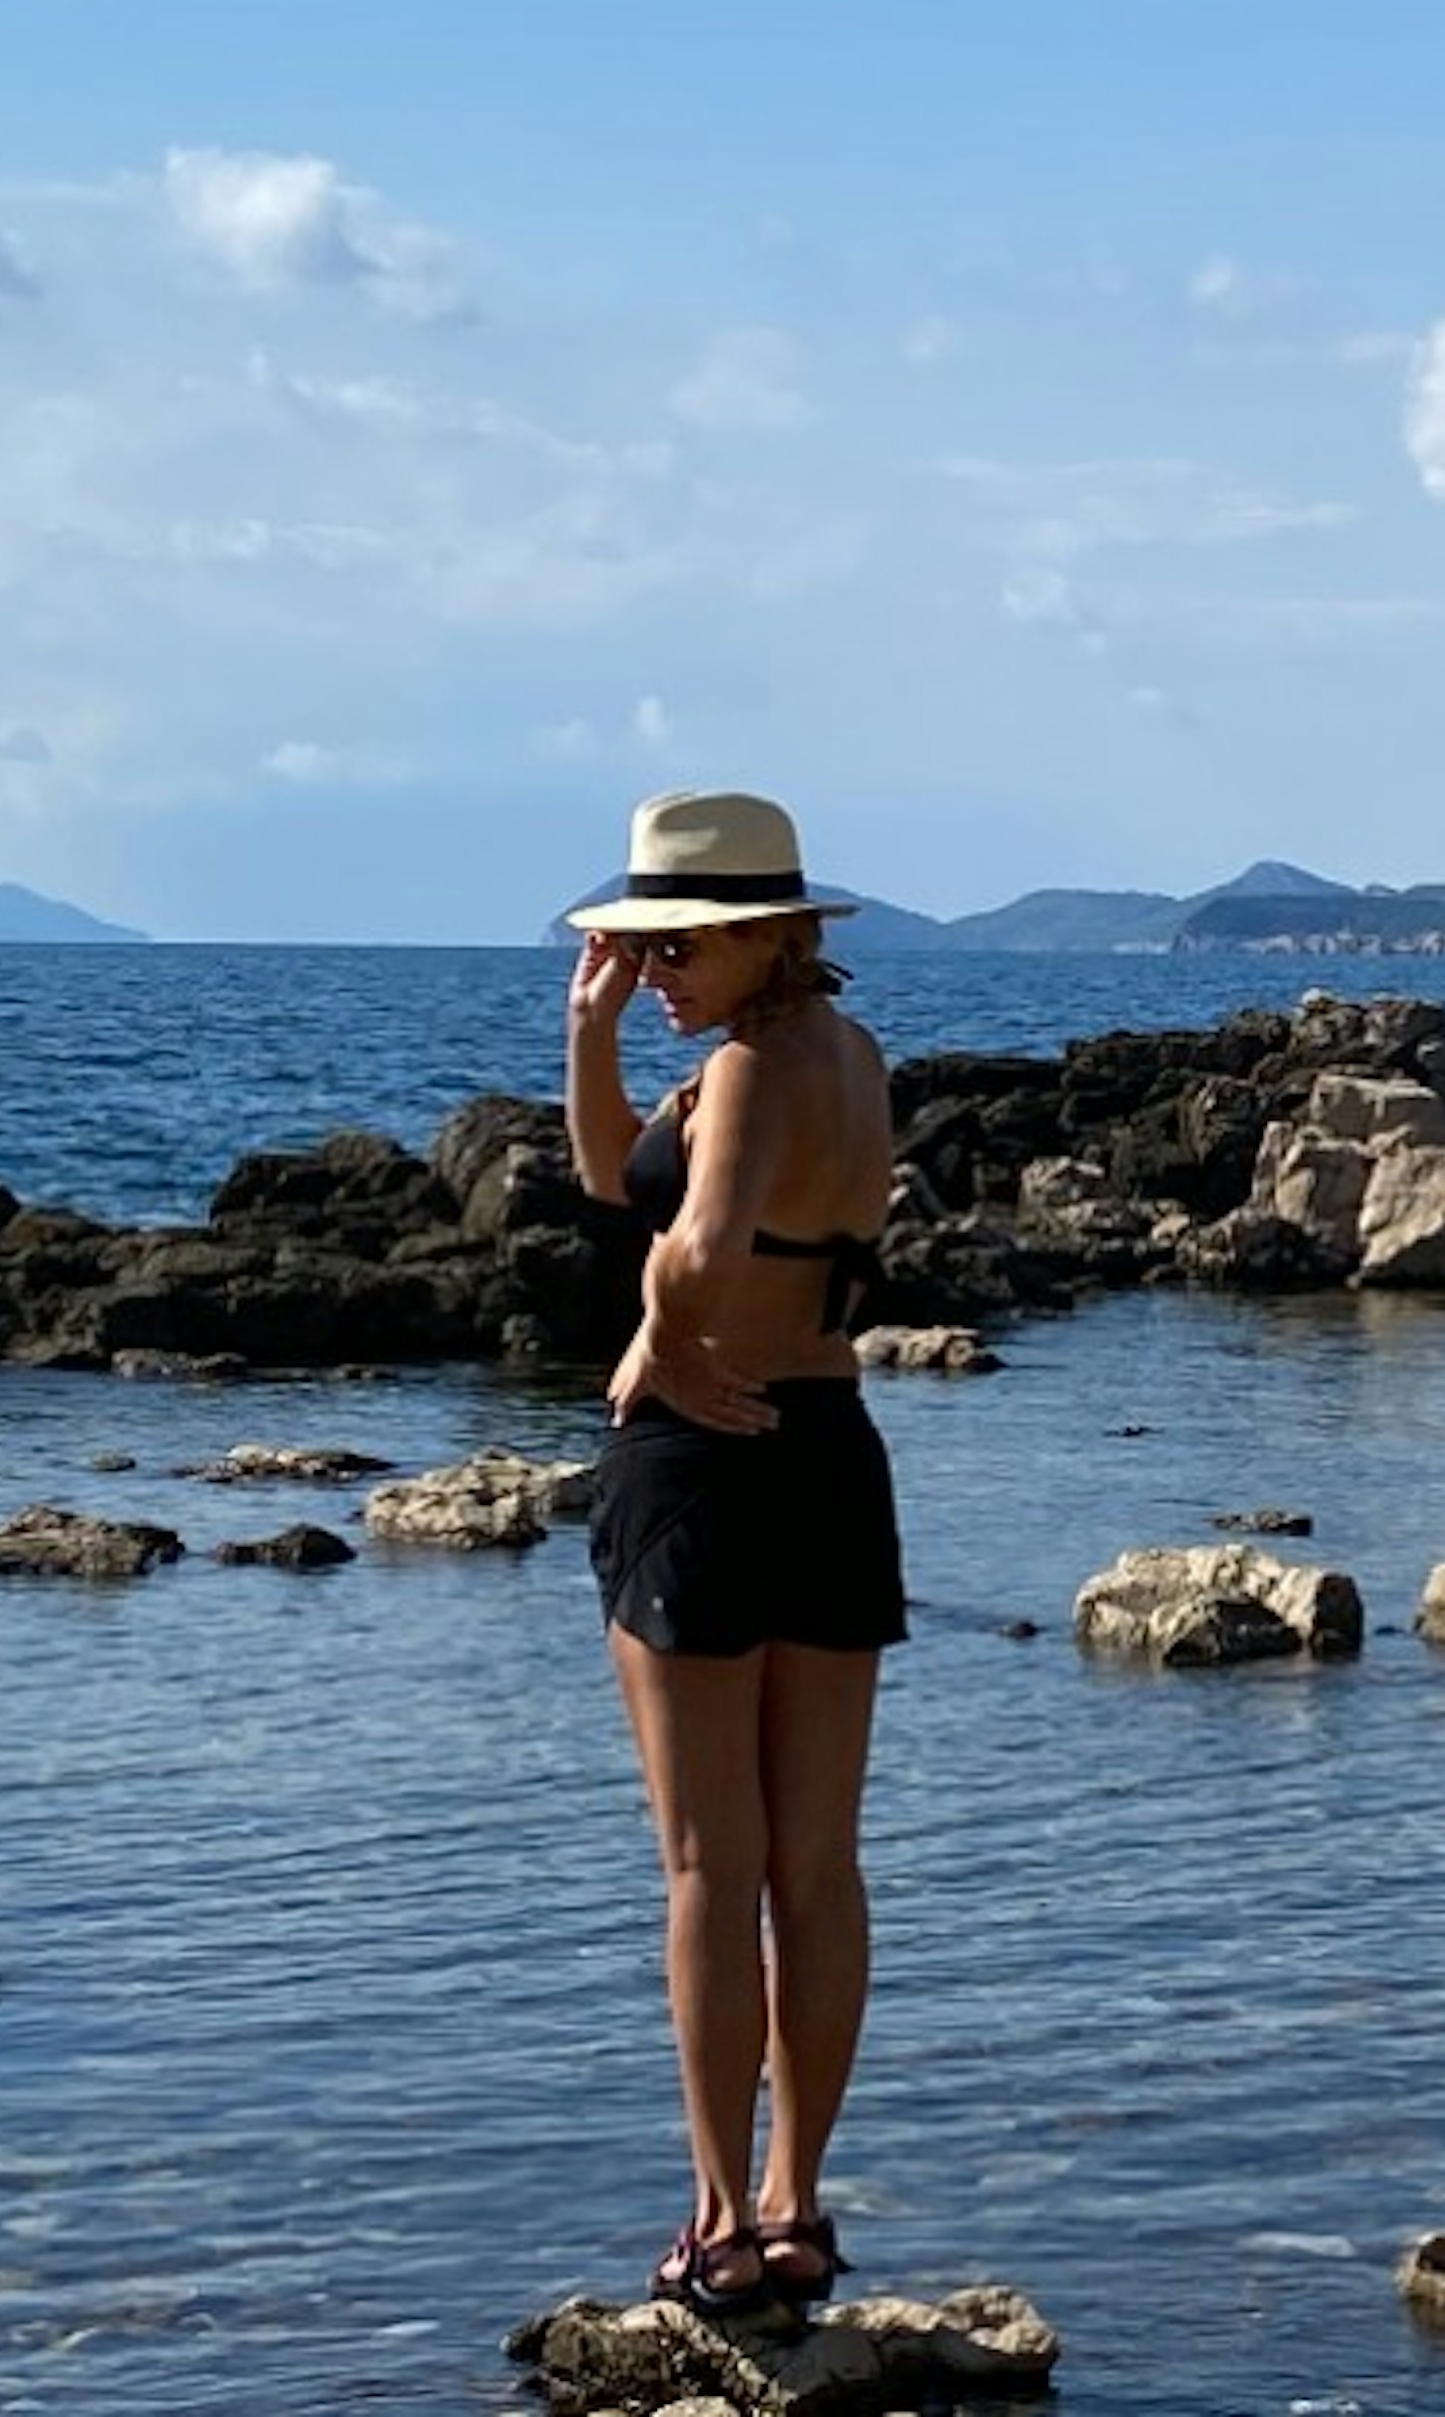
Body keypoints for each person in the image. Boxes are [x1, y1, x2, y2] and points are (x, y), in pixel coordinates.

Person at [563, 789, 902, 2320]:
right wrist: (595, 1042)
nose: (660, 968)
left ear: (776, 934)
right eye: (641, 944)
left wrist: (655, 1343)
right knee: (815, 1862)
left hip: (708, 1464)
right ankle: (798, 2206)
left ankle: (716, 2224)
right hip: (829, 1456)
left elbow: (694, 1248)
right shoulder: (836, 1056)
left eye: (681, 945)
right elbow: (614, 1183)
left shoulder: (754, 1066)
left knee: (714, 1864)